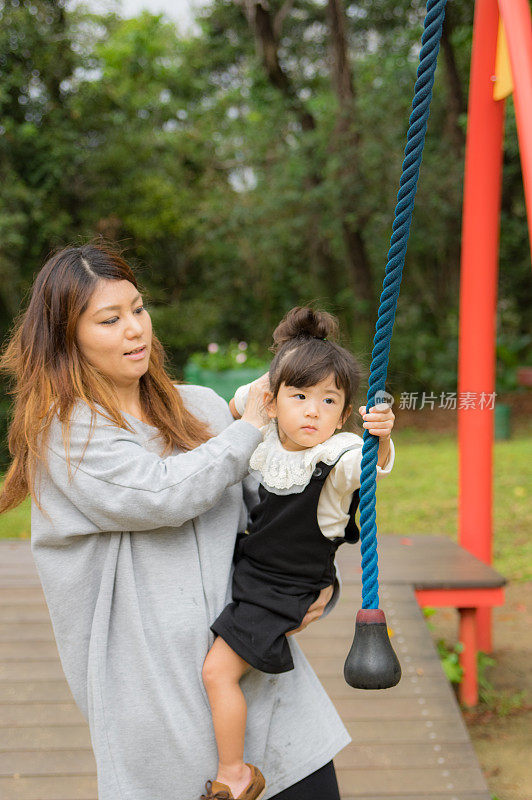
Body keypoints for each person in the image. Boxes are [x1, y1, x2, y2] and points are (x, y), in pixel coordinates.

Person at [0, 245, 354, 800]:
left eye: (137, 309)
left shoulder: (202, 409)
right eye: (109, 320)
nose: (134, 329)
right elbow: (164, 493)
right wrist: (246, 429)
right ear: (67, 337)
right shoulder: (65, 438)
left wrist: (317, 581)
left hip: (251, 667)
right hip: (156, 697)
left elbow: (276, 510)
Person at [201, 307, 395, 800]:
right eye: (300, 396)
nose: (312, 410)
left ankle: (235, 773)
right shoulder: (268, 438)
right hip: (254, 574)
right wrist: (295, 358)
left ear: (344, 414)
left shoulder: (338, 456)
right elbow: (242, 397)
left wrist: (382, 436)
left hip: (283, 589)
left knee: (217, 671)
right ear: (275, 399)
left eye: (329, 400)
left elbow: (370, 467)